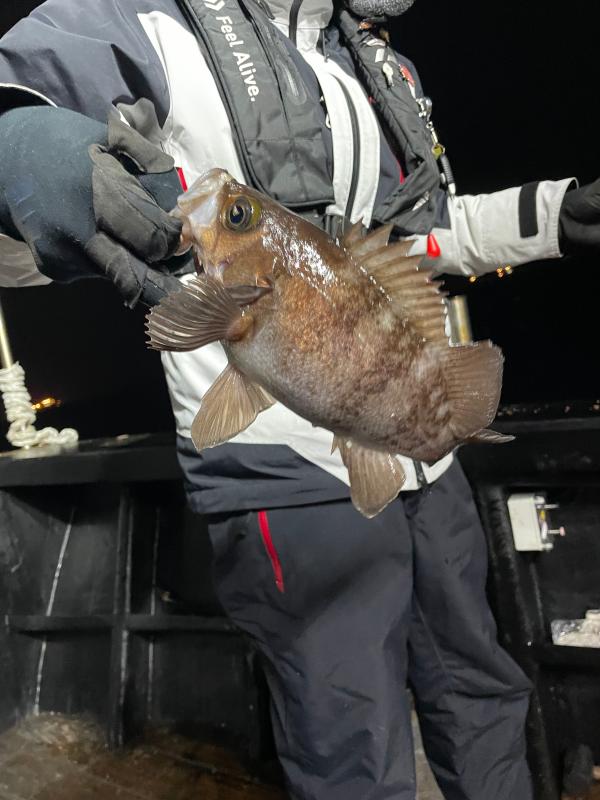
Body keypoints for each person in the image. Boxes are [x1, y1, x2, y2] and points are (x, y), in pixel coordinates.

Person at [0, 1, 599, 797]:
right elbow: (20, 124)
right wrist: (25, 150)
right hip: (283, 468)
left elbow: (412, 235)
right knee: (350, 745)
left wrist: (557, 216)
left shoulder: (362, 59)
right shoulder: (142, 19)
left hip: (423, 449)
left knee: (480, 692)